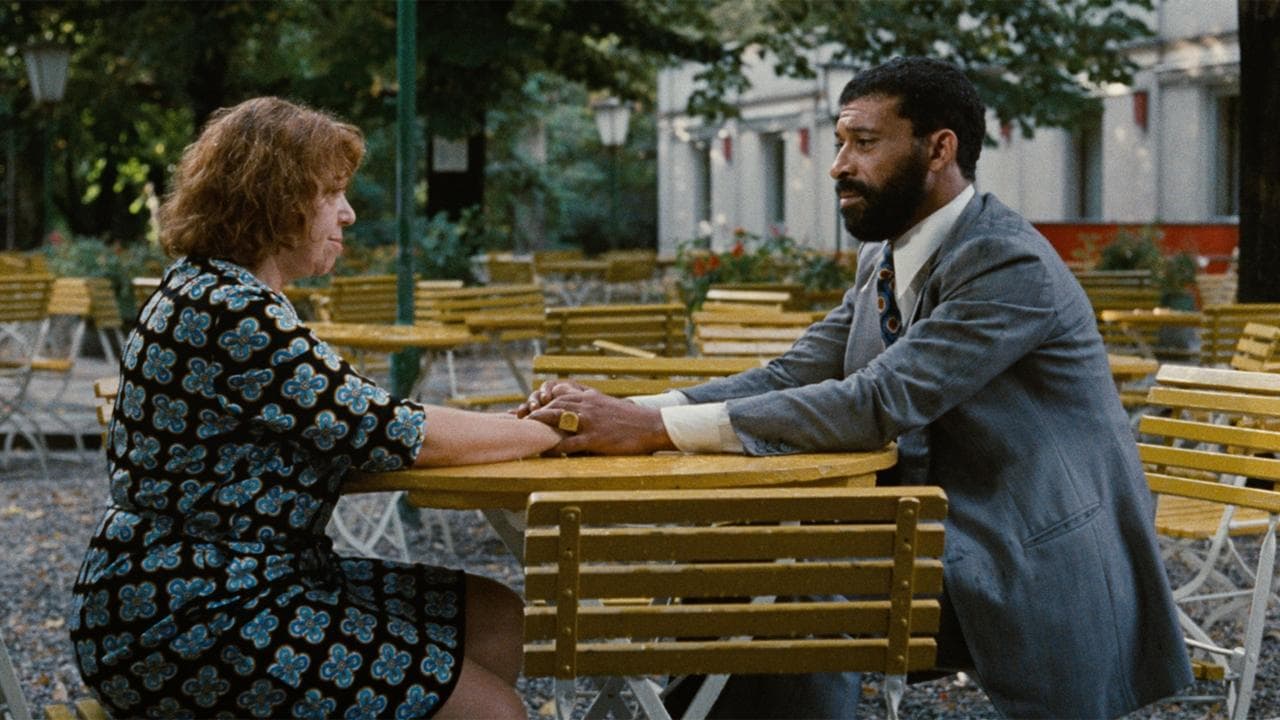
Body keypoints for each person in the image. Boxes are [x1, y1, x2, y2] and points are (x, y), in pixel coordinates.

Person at [518, 57, 1192, 718]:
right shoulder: (886, 255)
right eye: (840, 142)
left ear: (939, 149)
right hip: (934, 533)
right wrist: (629, 411)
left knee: (793, 590)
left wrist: (650, 432)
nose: (838, 164)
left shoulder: (1004, 261)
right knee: (731, 569)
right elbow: (794, 372)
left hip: (1031, 554)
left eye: (863, 142)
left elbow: (875, 402)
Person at [69, 97, 562, 719]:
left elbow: (356, 427)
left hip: (221, 586)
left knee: (494, 617)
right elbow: (396, 431)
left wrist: (512, 432)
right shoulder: (230, 310)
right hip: (189, 616)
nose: (349, 214)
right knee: (493, 712)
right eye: (332, 193)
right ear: (274, 199)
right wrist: (546, 432)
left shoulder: (213, 289)